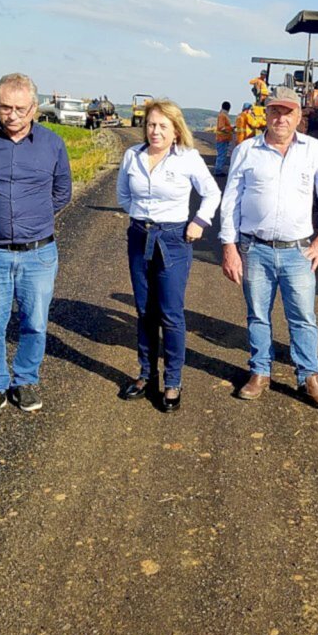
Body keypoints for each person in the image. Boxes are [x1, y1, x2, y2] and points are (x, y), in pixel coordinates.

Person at [220, 86, 318, 410]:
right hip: (254, 249)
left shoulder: (313, 151)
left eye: (287, 112)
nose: (280, 118)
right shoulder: (246, 151)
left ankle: (309, 377)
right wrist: (229, 247)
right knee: (258, 315)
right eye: (275, 110)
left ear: (298, 116)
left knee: (303, 317)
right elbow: (230, 201)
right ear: (266, 113)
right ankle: (260, 371)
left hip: (298, 252)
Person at [0, 72, 72, 422]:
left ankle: (25, 380)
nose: (12, 115)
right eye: (5, 107)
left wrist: (30, 219)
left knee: (35, 322)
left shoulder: (53, 144)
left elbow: (62, 192)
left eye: (20, 108)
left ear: (34, 108)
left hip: (39, 252)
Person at [116, 99, 221, 412]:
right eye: (150, 125)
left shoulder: (187, 158)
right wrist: (140, 217)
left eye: (162, 126)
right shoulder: (131, 156)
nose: (155, 131)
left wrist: (199, 222)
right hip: (139, 237)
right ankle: (147, 375)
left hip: (174, 240)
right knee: (144, 310)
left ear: (176, 130)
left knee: (170, 313)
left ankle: (173, 382)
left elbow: (211, 193)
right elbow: (123, 195)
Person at [214, 100, 233, 176]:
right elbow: (222, 128)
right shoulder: (223, 115)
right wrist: (231, 128)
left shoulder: (222, 115)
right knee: (221, 155)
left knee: (222, 155)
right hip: (222, 139)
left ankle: (219, 170)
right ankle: (218, 171)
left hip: (223, 139)